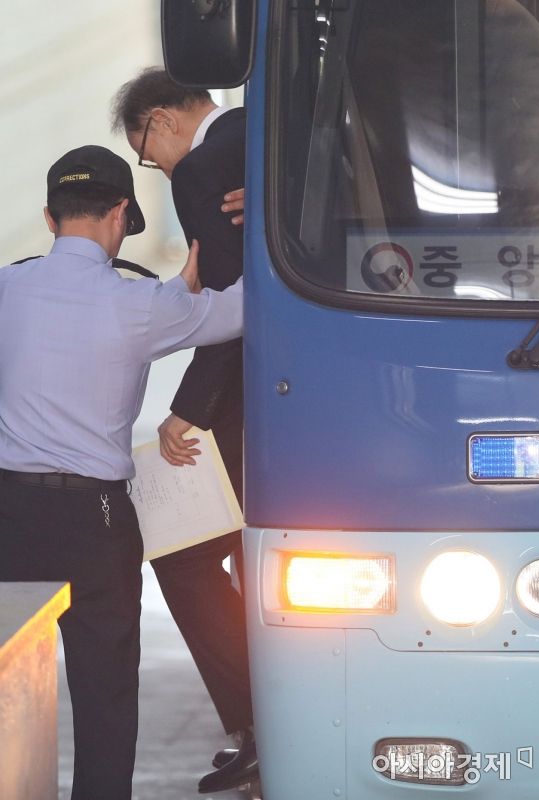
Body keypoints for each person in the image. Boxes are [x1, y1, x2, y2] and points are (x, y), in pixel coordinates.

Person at [0, 144, 244, 800]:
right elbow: (242, 311)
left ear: (49, 218)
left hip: (10, 515)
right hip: (95, 520)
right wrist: (248, 233)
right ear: (119, 215)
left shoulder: (6, 288)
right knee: (104, 696)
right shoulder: (140, 304)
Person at [111, 68, 256, 794]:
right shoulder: (264, 135)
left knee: (185, 560)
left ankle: (262, 722)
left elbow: (231, 310)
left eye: (147, 153)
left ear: (162, 120)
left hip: (250, 405)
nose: (158, 168)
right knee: (249, 562)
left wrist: (188, 409)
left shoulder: (201, 168)